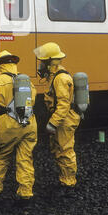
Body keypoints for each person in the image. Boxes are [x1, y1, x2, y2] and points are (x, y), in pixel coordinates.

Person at [0, 50, 37, 206]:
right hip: (29, 123)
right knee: (25, 159)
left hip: (8, 124)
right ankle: (25, 194)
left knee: (1, 157)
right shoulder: (27, 81)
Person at [33, 42, 81, 196]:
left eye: (42, 61)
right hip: (62, 118)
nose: (40, 64)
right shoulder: (55, 76)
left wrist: (53, 124)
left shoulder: (60, 78)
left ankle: (69, 184)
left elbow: (63, 105)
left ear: (49, 62)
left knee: (65, 150)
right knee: (59, 149)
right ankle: (65, 179)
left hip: (64, 119)